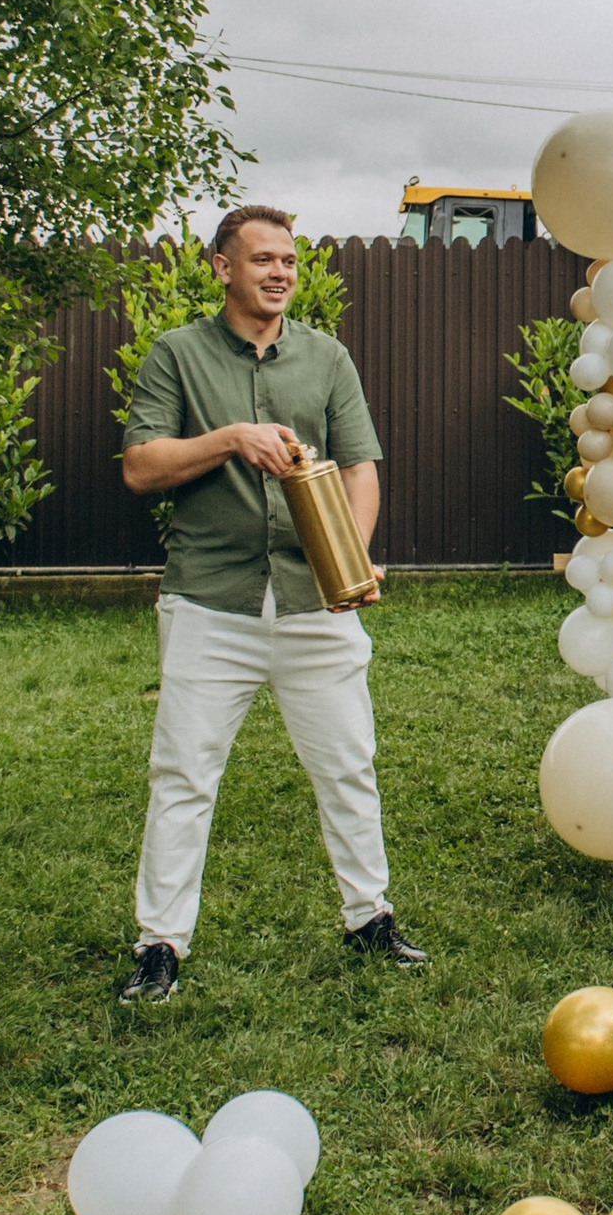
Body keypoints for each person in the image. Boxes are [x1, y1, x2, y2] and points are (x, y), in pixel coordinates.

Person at [115, 204, 426, 1003]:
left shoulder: (327, 358)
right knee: (183, 774)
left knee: (349, 765)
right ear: (223, 268)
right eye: (262, 260)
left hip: (315, 605)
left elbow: (360, 466)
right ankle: (160, 946)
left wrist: (346, 564)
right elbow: (142, 466)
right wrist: (230, 438)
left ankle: (369, 918)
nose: (280, 272)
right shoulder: (176, 355)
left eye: (287, 260)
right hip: (211, 603)